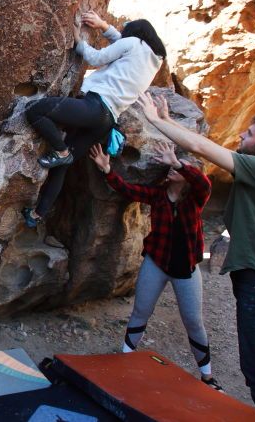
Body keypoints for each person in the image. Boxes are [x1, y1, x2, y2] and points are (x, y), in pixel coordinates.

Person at [139, 91, 255, 421]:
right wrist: (168, 120)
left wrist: (155, 120)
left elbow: (203, 150)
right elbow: (206, 150)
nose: (242, 135)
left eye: (250, 133)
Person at [89, 141, 222, 390]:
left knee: (193, 321)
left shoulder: (195, 198)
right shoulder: (159, 195)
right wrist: (107, 169)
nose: (171, 170)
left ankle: (208, 376)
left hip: (186, 270)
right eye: (170, 167)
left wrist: (179, 164)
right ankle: (125, 358)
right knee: (141, 311)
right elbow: (128, 190)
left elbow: (204, 183)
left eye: (178, 169)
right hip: (156, 263)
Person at [22, 11, 166, 227]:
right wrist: (103, 25)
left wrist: (79, 40)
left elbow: (96, 58)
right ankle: (37, 215)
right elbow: (124, 43)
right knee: (63, 167)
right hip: (106, 122)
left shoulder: (133, 43)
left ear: (135, 33)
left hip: (95, 107)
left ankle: (60, 150)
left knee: (35, 110)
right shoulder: (153, 59)